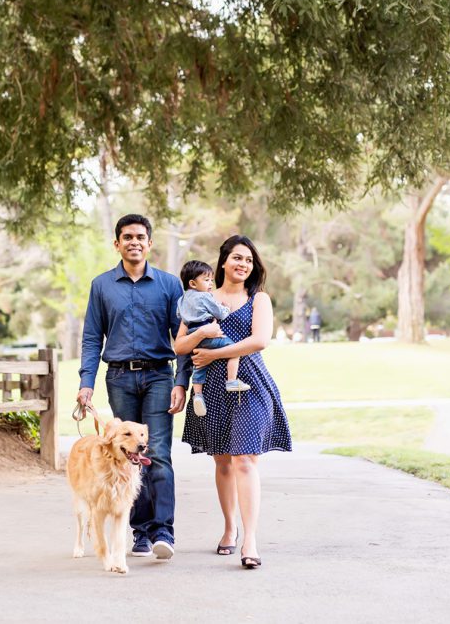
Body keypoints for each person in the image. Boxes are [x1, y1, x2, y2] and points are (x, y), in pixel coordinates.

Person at [76, 214, 191, 561]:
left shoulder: (170, 286)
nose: (134, 242)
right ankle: (139, 533)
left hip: (159, 376)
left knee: (156, 453)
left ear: (149, 243)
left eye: (140, 236)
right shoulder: (102, 285)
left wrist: (181, 381)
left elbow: (182, 338)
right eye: (127, 237)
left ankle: (162, 532)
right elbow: (92, 336)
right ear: (117, 243)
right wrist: (85, 383)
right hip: (120, 378)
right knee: (125, 457)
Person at [176, 235, 292, 569]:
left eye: (249, 260)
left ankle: (250, 540)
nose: (243, 264)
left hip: (249, 385)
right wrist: (201, 336)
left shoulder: (259, 299)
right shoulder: (200, 297)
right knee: (223, 462)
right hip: (210, 388)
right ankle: (229, 527)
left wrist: (214, 352)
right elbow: (180, 346)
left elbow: (259, 341)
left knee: (245, 460)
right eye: (237, 258)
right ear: (223, 261)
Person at [177, 260, 251, 418]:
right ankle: (231, 380)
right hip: (208, 333)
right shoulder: (204, 297)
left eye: (211, 280)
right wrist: (226, 308)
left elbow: (181, 316)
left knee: (199, 365)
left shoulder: (181, 300)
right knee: (234, 349)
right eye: (206, 280)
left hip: (193, 336)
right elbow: (221, 313)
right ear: (193, 283)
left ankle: (198, 394)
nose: (210, 283)